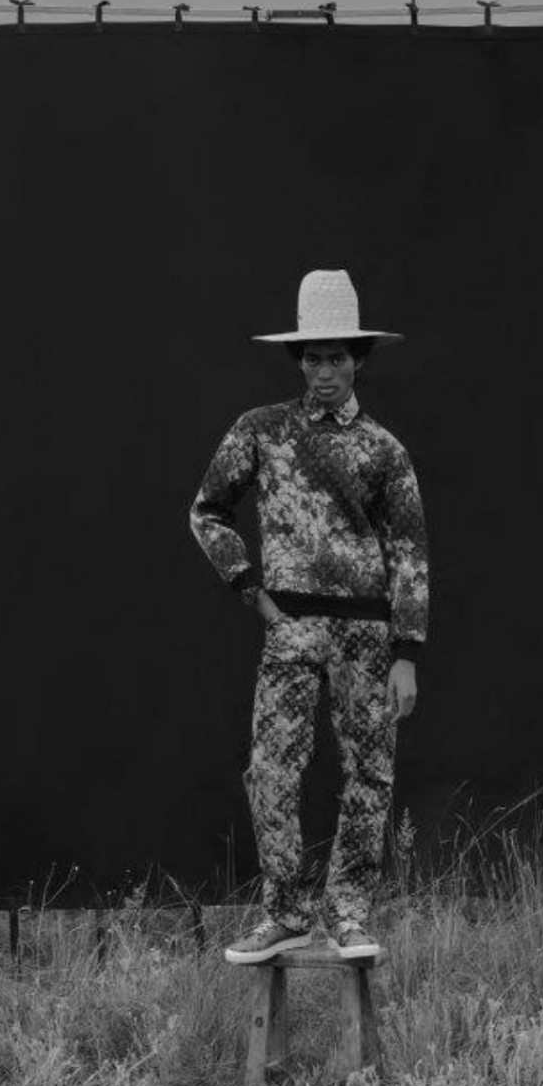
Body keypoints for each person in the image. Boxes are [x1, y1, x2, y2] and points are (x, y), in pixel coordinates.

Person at [189, 268, 429, 963]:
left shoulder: (384, 450)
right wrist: (249, 588)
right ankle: (287, 911)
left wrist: (407, 651)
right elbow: (207, 511)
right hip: (290, 627)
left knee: (370, 772)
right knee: (271, 770)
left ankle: (349, 912)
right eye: (314, 358)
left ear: (359, 360)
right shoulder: (261, 431)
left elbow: (410, 552)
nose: (325, 371)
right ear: (299, 360)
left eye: (337, 358)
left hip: (367, 633)